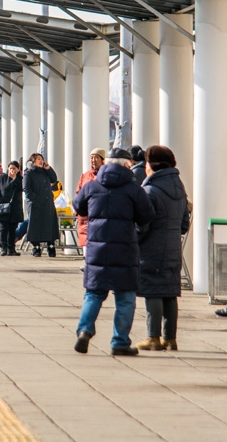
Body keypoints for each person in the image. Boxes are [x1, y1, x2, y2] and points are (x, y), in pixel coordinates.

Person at [72, 148, 155, 356]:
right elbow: (146, 215)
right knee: (125, 297)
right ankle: (119, 342)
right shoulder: (133, 189)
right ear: (127, 165)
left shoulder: (91, 186)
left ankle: (84, 330)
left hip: (97, 251)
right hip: (125, 250)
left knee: (93, 293)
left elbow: (78, 207)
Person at [135, 146, 191, 350]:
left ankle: (153, 337)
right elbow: (185, 224)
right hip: (173, 248)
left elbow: (143, 224)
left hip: (152, 249)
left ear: (152, 165)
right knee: (169, 293)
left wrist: (133, 238)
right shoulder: (179, 188)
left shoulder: (150, 191)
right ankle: (170, 337)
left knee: (153, 292)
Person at [23, 153, 60, 257]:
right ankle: (36, 247)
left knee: (49, 225)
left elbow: (54, 179)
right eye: (38, 159)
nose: (40, 161)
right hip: (35, 204)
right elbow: (26, 188)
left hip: (47, 203)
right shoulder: (29, 173)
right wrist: (35, 199)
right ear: (33, 161)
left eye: (41, 159)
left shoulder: (45, 171)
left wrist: (49, 169)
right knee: (36, 226)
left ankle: (51, 246)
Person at [0, 160, 24, 257]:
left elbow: (22, 188)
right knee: (3, 228)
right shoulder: (3, 177)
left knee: (12, 228)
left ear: (18, 170)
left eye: (14, 168)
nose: (12, 170)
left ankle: (11, 248)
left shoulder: (20, 179)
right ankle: (3, 248)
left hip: (15, 207)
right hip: (3, 207)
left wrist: (14, 179)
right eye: (10, 168)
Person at [75, 148, 106, 248]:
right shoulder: (85, 176)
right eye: (91, 158)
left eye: (96, 158)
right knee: (87, 247)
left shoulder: (106, 175)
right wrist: (78, 211)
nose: (93, 160)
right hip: (85, 217)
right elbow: (78, 193)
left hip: (100, 214)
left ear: (102, 159)